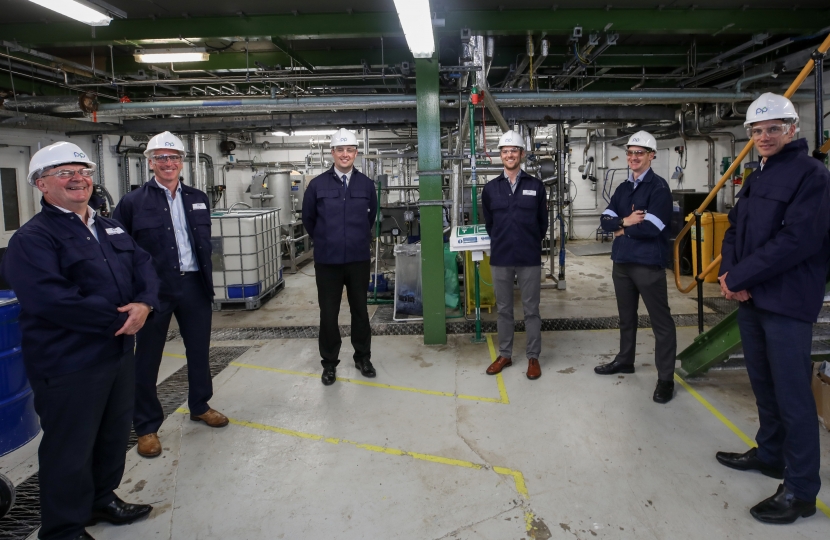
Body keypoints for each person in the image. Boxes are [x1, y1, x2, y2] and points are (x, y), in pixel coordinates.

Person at [1, 142, 159, 540]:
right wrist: (121, 320)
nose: (78, 178)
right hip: (69, 361)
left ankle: (100, 499)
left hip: (117, 353)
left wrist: (144, 303)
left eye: (83, 171)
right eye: (64, 172)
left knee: (111, 434)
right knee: (70, 448)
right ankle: (64, 528)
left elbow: (144, 265)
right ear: (41, 185)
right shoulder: (32, 238)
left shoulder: (108, 226)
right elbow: (52, 299)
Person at [715, 93, 829, 524]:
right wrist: (730, 276)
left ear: (792, 129)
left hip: (786, 302)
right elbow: (733, 229)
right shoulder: (757, 174)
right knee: (762, 384)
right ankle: (770, 455)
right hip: (752, 298)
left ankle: (800, 490)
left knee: (794, 397)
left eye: (773, 129)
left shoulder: (811, 175)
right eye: (757, 131)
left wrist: (742, 278)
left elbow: (797, 241)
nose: (764, 136)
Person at [113, 131, 227, 459]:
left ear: (181, 161)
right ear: (150, 162)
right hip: (153, 291)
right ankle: (146, 426)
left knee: (199, 351)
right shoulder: (133, 202)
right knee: (147, 358)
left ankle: (200, 405)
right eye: (161, 157)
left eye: (173, 157)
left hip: (194, 285)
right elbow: (119, 251)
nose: (168, 163)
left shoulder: (197, 197)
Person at [595, 130, 676, 404]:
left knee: (660, 323)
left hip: (647, 265)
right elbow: (605, 220)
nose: (633, 157)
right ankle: (625, 360)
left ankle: (666, 379)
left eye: (639, 153)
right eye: (630, 153)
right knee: (626, 318)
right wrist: (625, 222)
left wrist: (621, 229)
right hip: (622, 264)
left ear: (651, 156)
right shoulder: (623, 188)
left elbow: (653, 228)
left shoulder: (659, 188)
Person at [301, 128, 378, 385]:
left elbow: (371, 217)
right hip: (328, 261)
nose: (345, 154)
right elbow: (308, 220)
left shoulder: (366, 185)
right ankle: (330, 363)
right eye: (340, 150)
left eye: (350, 150)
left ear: (356, 153)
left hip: (357, 259)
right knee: (329, 313)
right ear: (332, 153)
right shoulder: (317, 185)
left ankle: (362, 357)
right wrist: (327, 240)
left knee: (360, 310)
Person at [481, 130, 549, 379]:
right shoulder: (490, 189)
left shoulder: (535, 186)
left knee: (531, 309)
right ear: (501, 155)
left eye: (514, 150)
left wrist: (528, 241)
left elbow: (543, 223)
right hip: (501, 257)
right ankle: (505, 354)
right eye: (505, 151)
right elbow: (490, 223)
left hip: (529, 257)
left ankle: (533, 357)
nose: (509, 154)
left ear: (521, 154)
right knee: (504, 310)